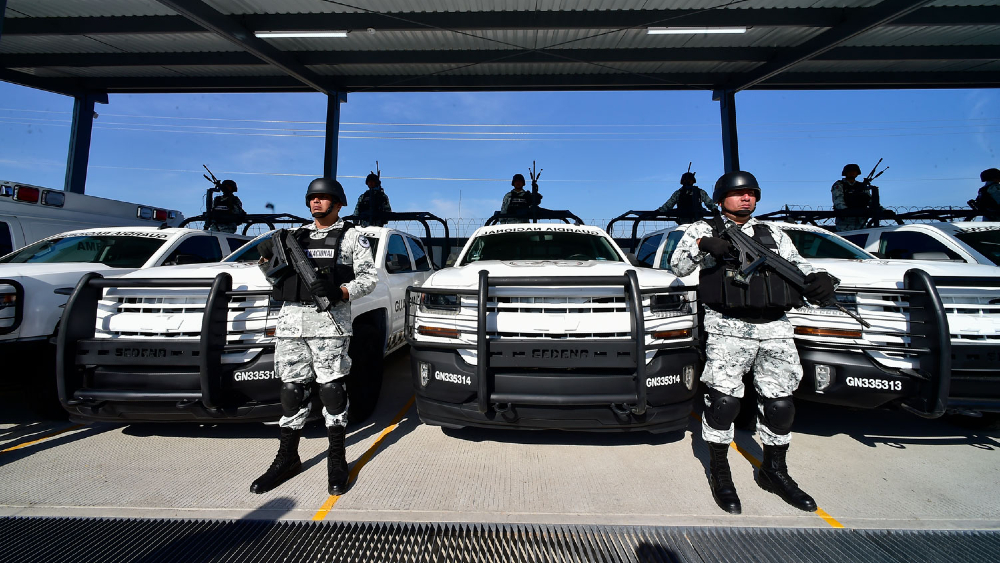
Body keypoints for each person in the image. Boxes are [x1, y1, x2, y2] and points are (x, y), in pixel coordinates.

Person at [669, 171, 837, 515]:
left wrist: (822, 280)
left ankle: (774, 471)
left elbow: (799, 267)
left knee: (780, 405)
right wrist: (703, 246)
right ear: (721, 198)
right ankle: (720, 471)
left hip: (775, 326)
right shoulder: (703, 228)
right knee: (723, 403)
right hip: (729, 326)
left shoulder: (773, 232)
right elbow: (679, 265)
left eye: (751, 193)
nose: (746, 198)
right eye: (738, 193)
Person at [251, 177, 377, 496]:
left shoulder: (354, 237)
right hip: (292, 320)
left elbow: (369, 278)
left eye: (323, 198)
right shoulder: (293, 235)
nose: (316, 203)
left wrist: (342, 290)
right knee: (292, 390)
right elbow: (264, 265)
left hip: (329, 320)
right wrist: (273, 263)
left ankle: (336, 459)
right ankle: (287, 458)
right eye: (312, 198)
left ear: (338, 203)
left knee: (332, 389)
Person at [831, 164, 872, 232]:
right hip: (845, 222)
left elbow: (870, 200)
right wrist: (846, 211)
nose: (852, 173)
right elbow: (838, 200)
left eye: (854, 171)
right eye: (849, 171)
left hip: (860, 221)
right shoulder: (839, 185)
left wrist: (881, 209)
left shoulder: (861, 186)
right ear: (845, 173)